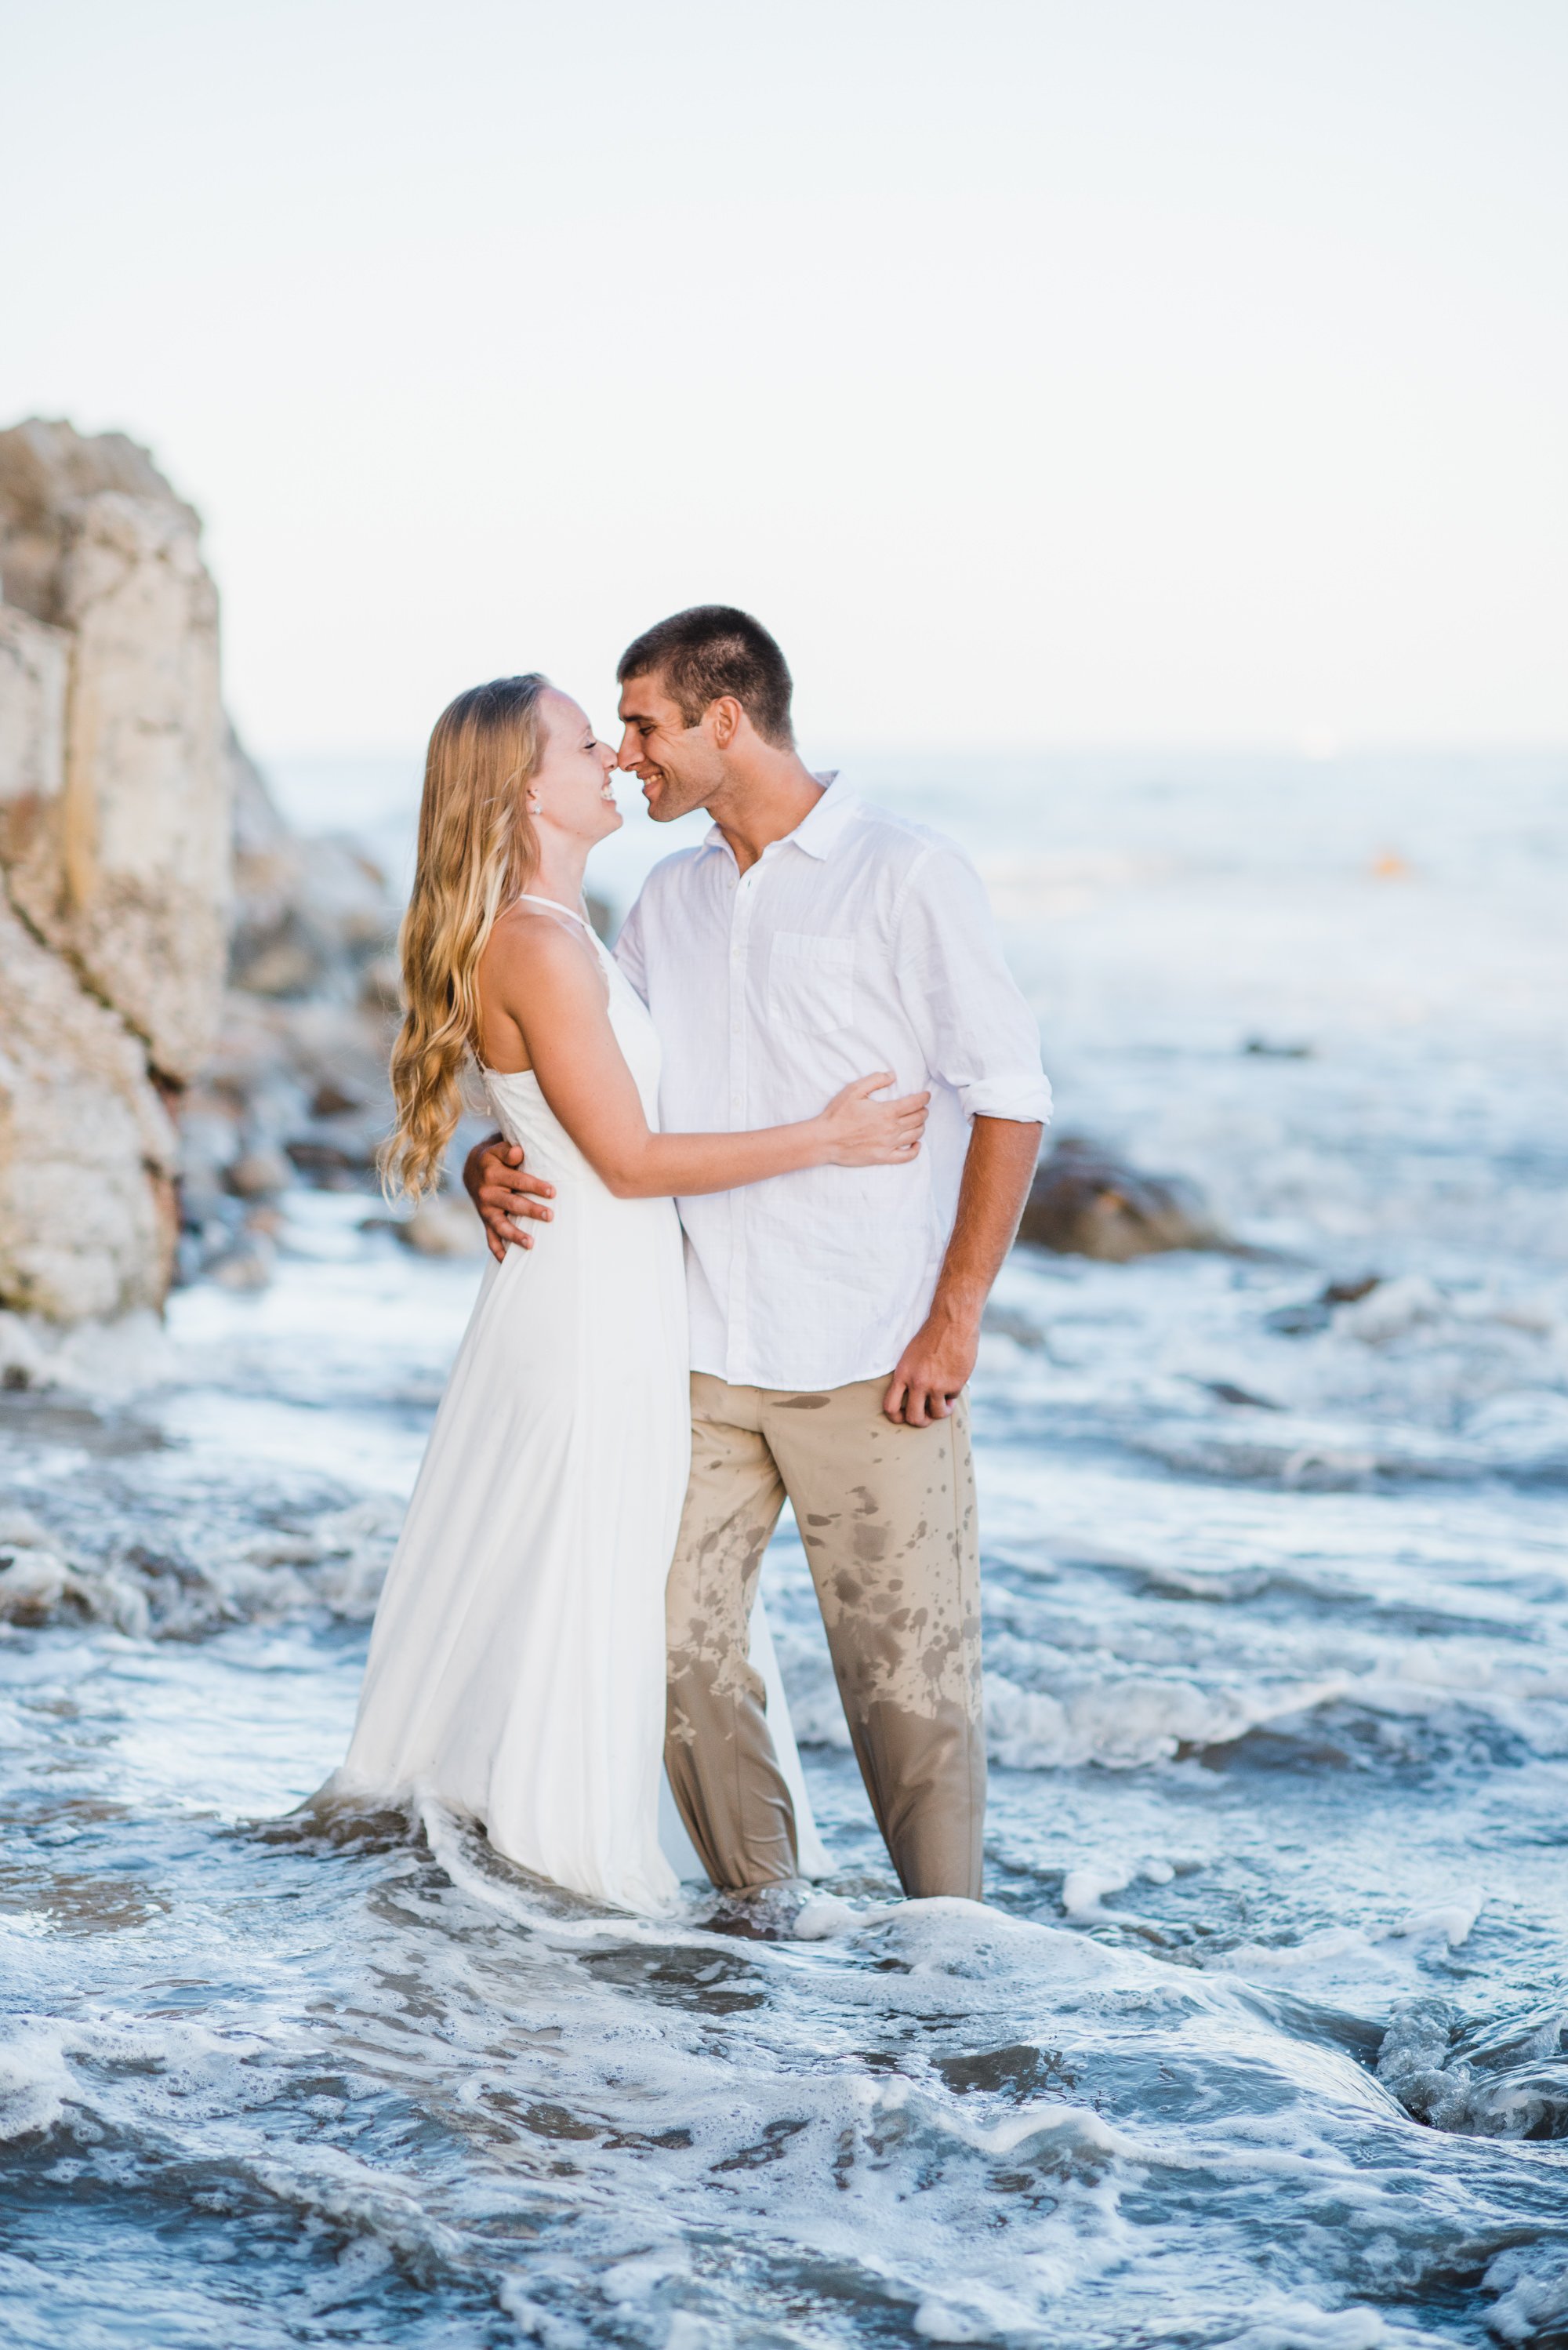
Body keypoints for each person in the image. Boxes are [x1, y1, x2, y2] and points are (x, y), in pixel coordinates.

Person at [468, 608, 1050, 1908]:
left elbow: (1012, 1095)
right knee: (676, 1656)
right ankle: (765, 1925)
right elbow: (589, 1089)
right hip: (697, 1356)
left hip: (872, 1355)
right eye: (613, 731)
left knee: (909, 1699)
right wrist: (490, 1158)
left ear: (725, 719)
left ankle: (950, 1999)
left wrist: (955, 1321)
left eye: (645, 723)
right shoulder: (666, 899)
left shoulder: (907, 872)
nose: (627, 755)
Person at [332, 674, 927, 1913]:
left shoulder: (565, 925)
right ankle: (554, 1850)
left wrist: (495, 1153)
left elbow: (577, 1121)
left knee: (586, 1568)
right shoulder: (540, 941)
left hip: (608, 1297)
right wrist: (825, 1137)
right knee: (583, 1567)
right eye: (578, 737)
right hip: (589, 1311)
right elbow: (631, 1159)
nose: (608, 749)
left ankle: (527, 1833)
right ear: (520, 786)